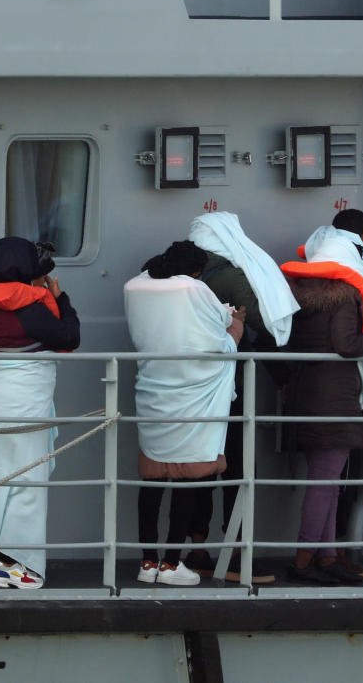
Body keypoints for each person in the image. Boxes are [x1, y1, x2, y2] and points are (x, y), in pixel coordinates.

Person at [0, 237, 80, 590]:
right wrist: (61, 299)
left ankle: (0, 559)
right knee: (27, 480)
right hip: (25, 403)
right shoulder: (30, 309)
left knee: (0, 478)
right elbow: (70, 337)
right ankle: (17, 566)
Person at [184, 211, 298, 583]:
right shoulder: (231, 275)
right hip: (227, 387)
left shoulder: (180, 273)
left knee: (198, 468)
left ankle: (195, 548)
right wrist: (284, 376)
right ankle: (234, 552)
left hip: (188, 387)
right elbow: (264, 325)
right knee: (236, 469)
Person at [280, 224, 363, 584]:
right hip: (335, 399)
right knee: (325, 482)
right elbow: (346, 345)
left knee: (325, 480)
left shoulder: (293, 294)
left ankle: (327, 556)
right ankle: (303, 561)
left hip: (302, 396)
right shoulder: (345, 295)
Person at [124, 241, 243, 587]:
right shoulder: (194, 288)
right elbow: (221, 344)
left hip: (152, 395)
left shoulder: (137, 288)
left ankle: (147, 562)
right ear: (196, 271)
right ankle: (172, 564)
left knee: (153, 481)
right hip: (195, 400)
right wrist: (236, 321)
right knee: (188, 479)